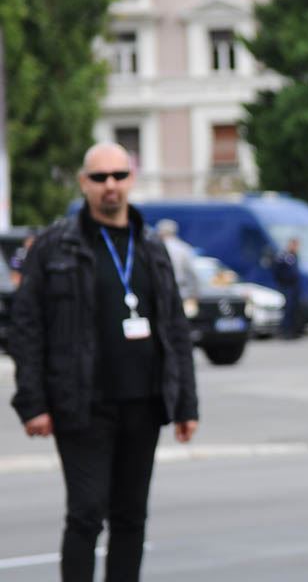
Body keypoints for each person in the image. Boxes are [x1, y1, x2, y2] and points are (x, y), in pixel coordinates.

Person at [9, 142, 198, 582]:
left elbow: (174, 328)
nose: (109, 185)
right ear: (84, 183)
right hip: (82, 404)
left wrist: (186, 404)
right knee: (87, 512)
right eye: (99, 178)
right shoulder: (54, 247)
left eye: (118, 176)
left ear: (131, 180)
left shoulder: (151, 246)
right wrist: (32, 401)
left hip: (145, 402)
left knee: (131, 516)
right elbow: (27, 327)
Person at [155, 218, 199, 300]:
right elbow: (192, 273)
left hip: (160, 292)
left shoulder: (154, 248)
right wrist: (193, 295)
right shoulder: (184, 248)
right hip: (181, 292)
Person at [274, 237, 303, 338]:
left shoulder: (294, 256)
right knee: (288, 309)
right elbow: (277, 271)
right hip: (286, 286)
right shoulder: (283, 256)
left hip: (294, 286)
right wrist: (283, 281)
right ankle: (285, 331)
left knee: (294, 309)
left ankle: (293, 331)